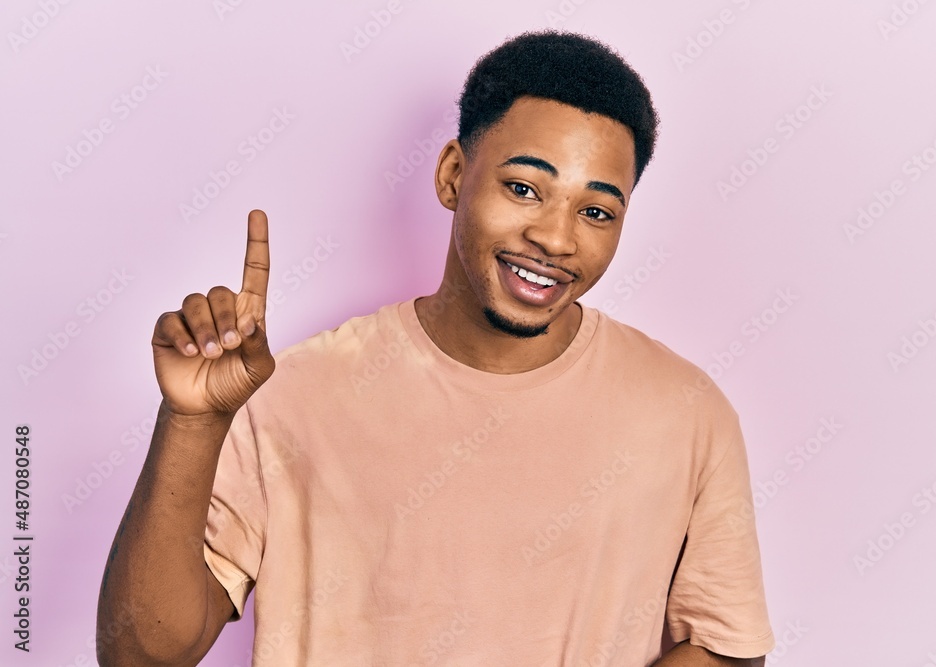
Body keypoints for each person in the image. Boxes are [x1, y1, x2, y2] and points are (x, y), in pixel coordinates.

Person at [96, 29, 774, 666]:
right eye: (523, 188)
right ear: (453, 175)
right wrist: (191, 421)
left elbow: (726, 646)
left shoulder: (685, 411)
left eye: (596, 211)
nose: (556, 238)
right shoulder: (291, 395)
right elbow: (140, 654)